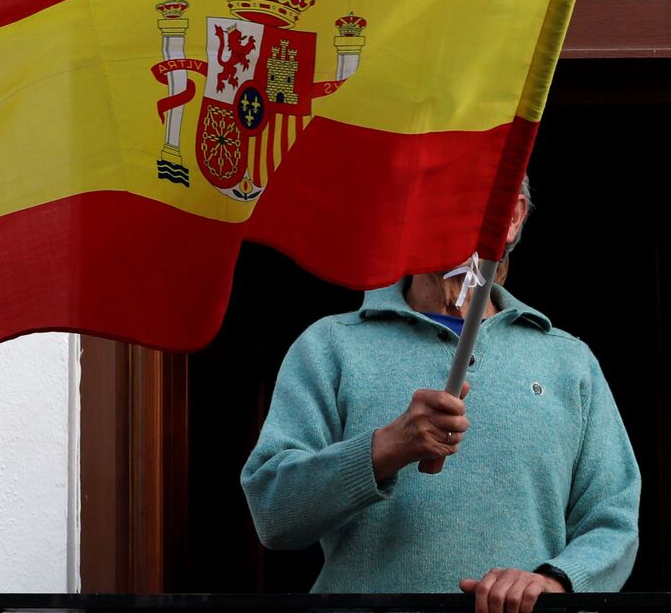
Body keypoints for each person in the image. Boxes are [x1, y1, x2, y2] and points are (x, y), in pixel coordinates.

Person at [240, 180, 641, 613]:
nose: (445, 211)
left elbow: (613, 520)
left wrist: (554, 583)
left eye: (466, 190)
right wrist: (386, 448)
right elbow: (272, 513)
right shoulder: (330, 348)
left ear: (513, 216)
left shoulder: (569, 361)